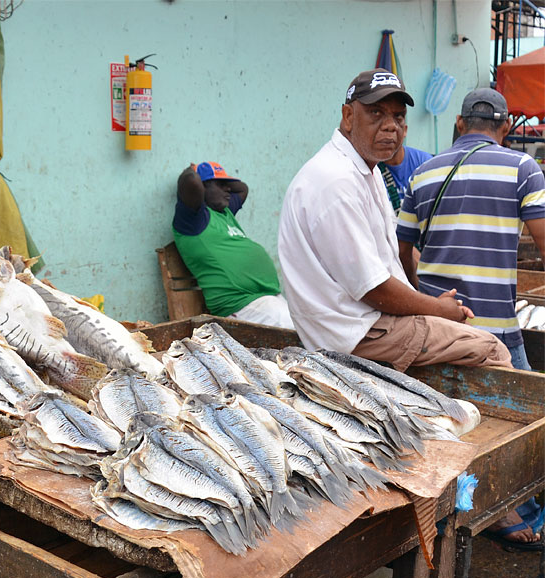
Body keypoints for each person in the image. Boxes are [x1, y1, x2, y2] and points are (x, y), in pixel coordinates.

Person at [278, 67, 512, 374]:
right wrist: (434, 307)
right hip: (357, 333)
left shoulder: (367, 171)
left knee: (457, 326)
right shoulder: (335, 181)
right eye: (376, 113)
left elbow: (390, 254)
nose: (391, 127)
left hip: (371, 321)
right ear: (348, 117)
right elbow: (373, 289)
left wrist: (433, 304)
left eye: (399, 117)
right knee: (492, 349)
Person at [397, 87, 545, 550]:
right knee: (526, 423)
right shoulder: (523, 167)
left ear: (460, 123)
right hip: (496, 329)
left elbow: (402, 252)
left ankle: (469, 505)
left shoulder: (423, 171)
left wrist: (423, 296)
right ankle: (503, 510)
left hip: (435, 328)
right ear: (504, 128)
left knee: (449, 421)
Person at [173, 162, 294, 329]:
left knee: (312, 328)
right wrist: (193, 170)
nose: (228, 189)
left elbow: (242, 188)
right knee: (300, 333)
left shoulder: (225, 212)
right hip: (240, 305)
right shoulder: (194, 220)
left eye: (227, 185)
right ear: (203, 188)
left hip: (266, 299)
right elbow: (190, 181)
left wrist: (219, 180)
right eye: (221, 185)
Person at [379, 135, 432, 215]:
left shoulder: (424, 162)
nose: (389, 132)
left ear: (405, 131)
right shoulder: (370, 167)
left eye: (397, 123)